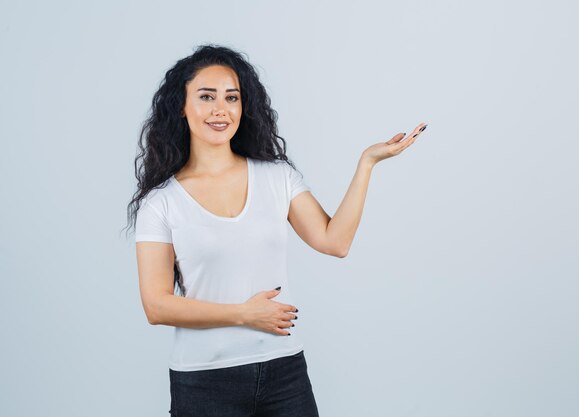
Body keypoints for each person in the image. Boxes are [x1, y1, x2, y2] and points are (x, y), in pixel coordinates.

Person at [125, 44, 427, 417]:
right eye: (206, 96)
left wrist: (367, 163)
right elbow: (156, 306)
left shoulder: (277, 177)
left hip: (285, 372)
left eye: (231, 98)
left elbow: (335, 242)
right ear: (181, 107)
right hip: (204, 382)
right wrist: (243, 314)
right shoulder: (162, 203)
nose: (221, 109)